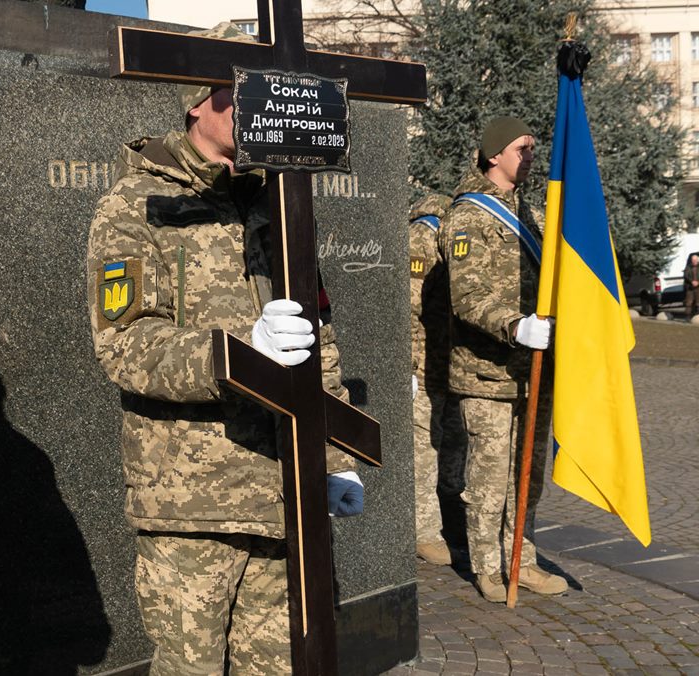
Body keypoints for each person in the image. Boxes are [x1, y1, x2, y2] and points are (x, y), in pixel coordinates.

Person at [87, 22, 363, 675]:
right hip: (192, 507)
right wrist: (241, 352)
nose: (254, 102)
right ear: (195, 103)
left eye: (263, 89)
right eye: (235, 90)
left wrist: (336, 455)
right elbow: (126, 345)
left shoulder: (279, 204)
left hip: (285, 490)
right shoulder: (138, 203)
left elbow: (318, 339)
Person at [440, 116, 566, 603]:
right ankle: (488, 567)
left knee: (528, 477)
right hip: (486, 372)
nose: (530, 156)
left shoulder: (532, 213)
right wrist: (515, 326)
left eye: (533, 148)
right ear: (494, 155)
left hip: (535, 371)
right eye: (521, 148)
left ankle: (522, 559)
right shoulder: (468, 216)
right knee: (490, 479)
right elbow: (467, 296)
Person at [408, 193, 466, 566]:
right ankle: (424, 531)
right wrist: (407, 366)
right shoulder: (423, 235)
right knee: (425, 449)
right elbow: (408, 306)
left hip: (453, 365)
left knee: (455, 443)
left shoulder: (458, 228)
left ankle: (451, 519)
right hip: (423, 365)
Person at [684, 253, 699, 319]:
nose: (694, 261)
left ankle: (697, 316)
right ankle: (688, 317)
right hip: (690, 287)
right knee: (689, 303)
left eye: (695, 260)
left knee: (698, 303)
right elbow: (686, 275)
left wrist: (698, 282)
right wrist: (691, 281)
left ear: (698, 260)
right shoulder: (688, 267)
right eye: (693, 260)